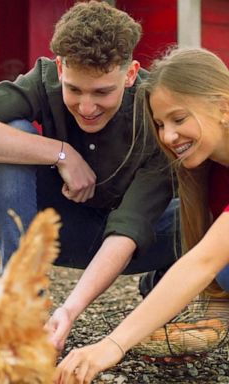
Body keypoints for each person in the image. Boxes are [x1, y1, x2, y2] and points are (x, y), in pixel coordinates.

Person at [0, 0, 179, 356]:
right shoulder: (43, 80)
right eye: (75, 90)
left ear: (130, 74)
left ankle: (166, 287)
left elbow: (131, 226)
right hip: (57, 231)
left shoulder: (155, 110)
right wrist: (60, 152)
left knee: (205, 219)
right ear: (61, 68)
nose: (87, 107)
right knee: (9, 132)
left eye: (102, 93)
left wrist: (68, 311)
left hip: (136, 239)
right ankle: (18, 294)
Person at [53, 46, 229, 384]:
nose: (168, 136)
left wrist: (112, 344)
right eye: (161, 124)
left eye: (179, 119)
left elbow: (205, 260)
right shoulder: (209, 171)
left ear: (222, 106)